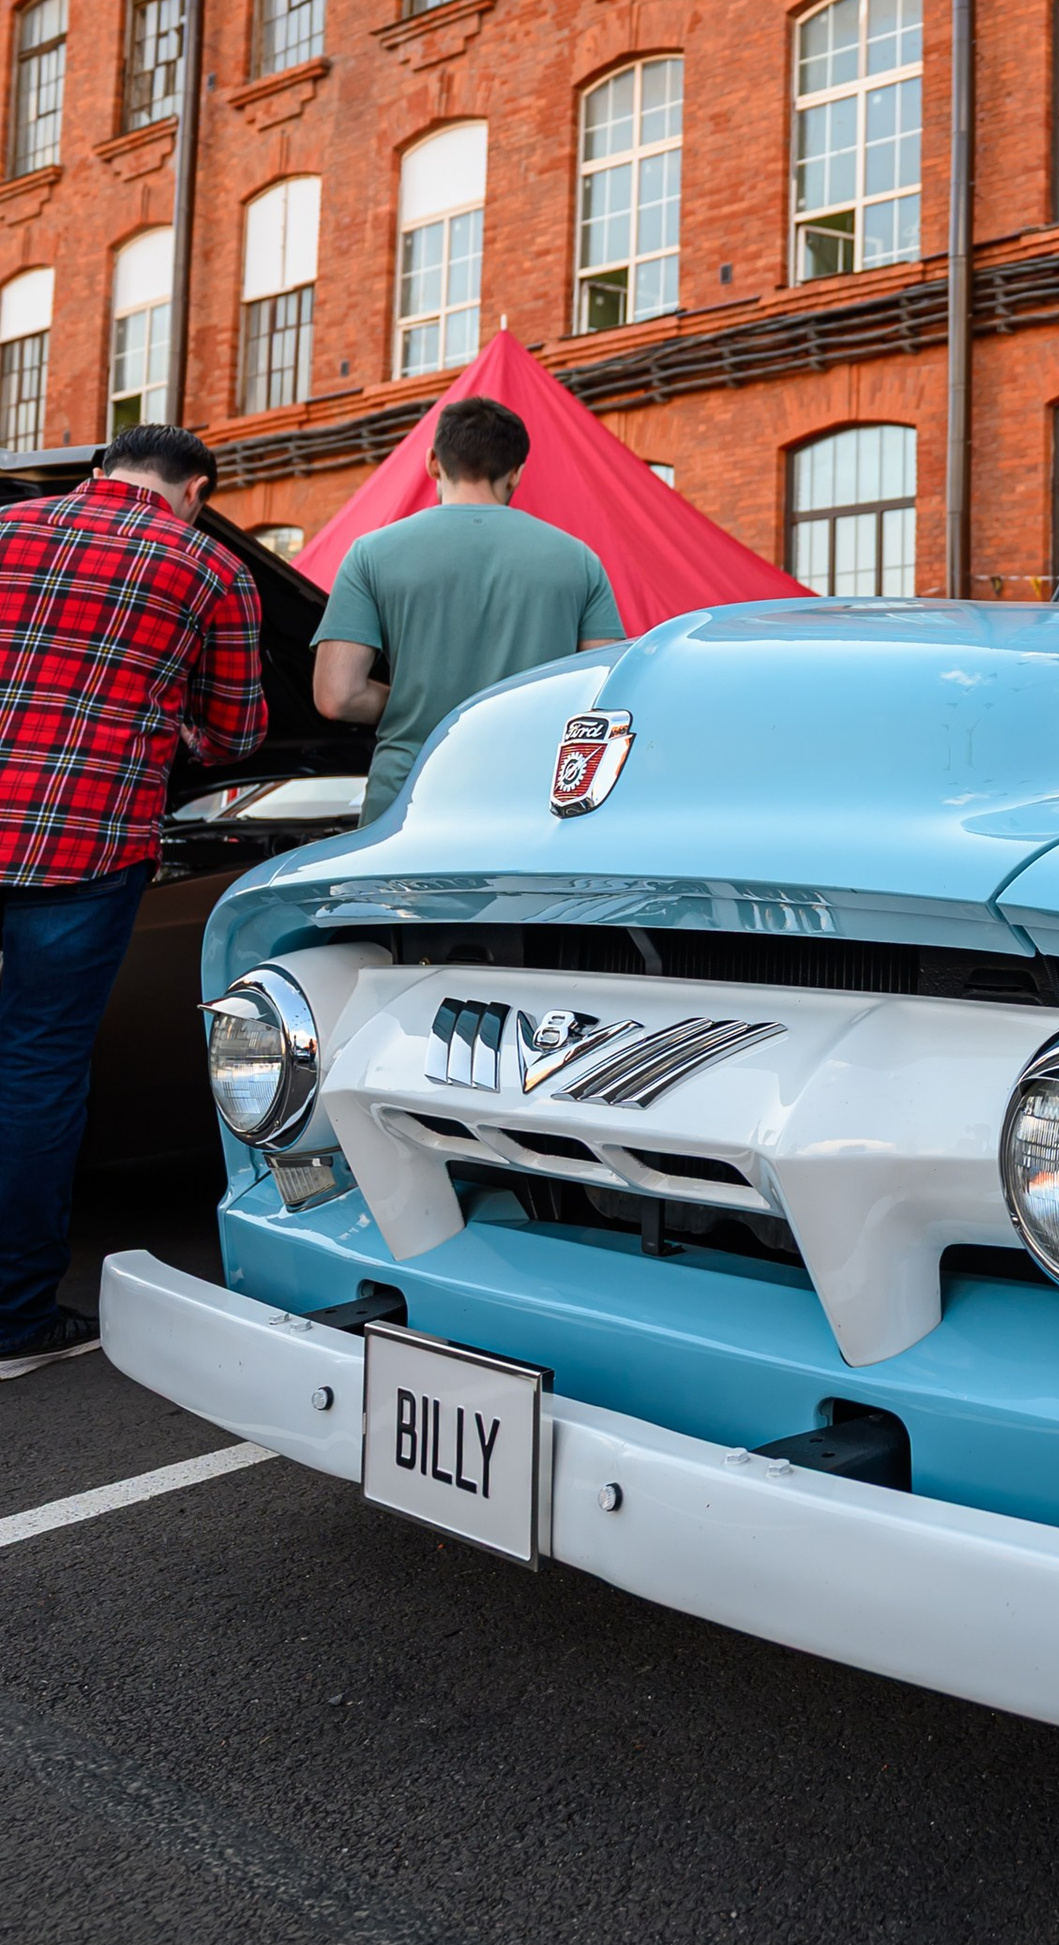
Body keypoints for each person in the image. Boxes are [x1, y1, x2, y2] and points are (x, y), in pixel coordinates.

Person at [0, 425, 268, 1361]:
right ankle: (15, 1317)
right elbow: (234, 734)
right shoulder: (211, 567)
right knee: (36, 1068)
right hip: (83, 842)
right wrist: (160, 721)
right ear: (195, 492)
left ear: (98, 470)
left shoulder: (7, 530)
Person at [314, 395, 622, 823]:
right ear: (516, 473)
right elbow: (605, 692)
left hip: (407, 799)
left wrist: (415, 700)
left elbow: (337, 695)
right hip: (532, 796)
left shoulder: (370, 554)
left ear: (432, 462)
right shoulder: (578, 560)